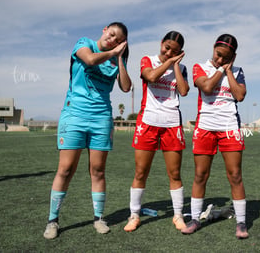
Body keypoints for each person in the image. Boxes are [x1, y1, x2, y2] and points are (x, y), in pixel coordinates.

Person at [43, 22, 132, 239]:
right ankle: (52, 220)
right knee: (65, 169)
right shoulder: (85, 43)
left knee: (98, 170)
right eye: (111, 35)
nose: (113, 40)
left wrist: (120, 58)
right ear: (104, 30)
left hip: (101, 118)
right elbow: (90, 60)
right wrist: (112, 51)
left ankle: (98, 218)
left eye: (118, 40)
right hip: (74, 115)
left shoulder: (116, 57)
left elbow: (126, 86)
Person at [180, 34, 249, 239]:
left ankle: (242, 223)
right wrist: (221, 69)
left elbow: (240, 95)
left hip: (230, 128)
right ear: (213, 48)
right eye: (218, 55)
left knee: (235, 175)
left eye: (225, 58)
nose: (220, 59)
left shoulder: (238, 71)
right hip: (205, 127)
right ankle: (194, 219)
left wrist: (229, 71)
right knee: (201, 175)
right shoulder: (199, 67)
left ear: (233, 57)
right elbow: (207, 87)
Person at [124, 31, 189, 232]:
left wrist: (176, 64)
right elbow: (151, 76)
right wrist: (169, 62)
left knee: (175, 173)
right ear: (161, 43)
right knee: (141, 171)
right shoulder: (148, 60)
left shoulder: (182, 67)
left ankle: (178, 215)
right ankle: (134, 215)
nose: (169, 52)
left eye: (174, 51)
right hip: (148, 122)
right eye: (167, 47)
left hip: (171, 124)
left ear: (180, 53)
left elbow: (184, 91)